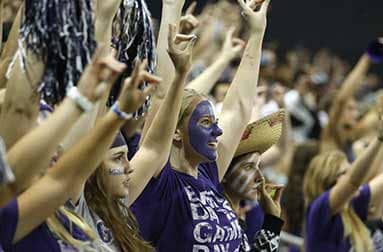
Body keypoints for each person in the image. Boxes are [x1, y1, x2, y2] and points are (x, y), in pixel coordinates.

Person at [131, 0, 272, 250]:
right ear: (174, 132)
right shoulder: (158, 178)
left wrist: (257, 34)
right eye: (206, 122)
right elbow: (161, 95)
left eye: (215, 123)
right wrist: (171, 8)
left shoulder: (208, 172)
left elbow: (238, 108)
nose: (218, 131)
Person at [0, 46, 158, 251]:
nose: (55, 150)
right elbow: (18, 108)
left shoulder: (61, 210)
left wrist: (117, 111)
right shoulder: (10, 216)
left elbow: (63, 179)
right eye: (43, 138)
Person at [75, 25, 196, 251]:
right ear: (90, 165)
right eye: (118, 158)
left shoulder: (117, 206)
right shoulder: (76, 208)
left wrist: (181, 74)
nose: (129, 167)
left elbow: (154, 148)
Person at [303, 103, 383, 252]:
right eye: (344, 173)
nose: (350, 176)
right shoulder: (319, 209)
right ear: (328, 179)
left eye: (350, 170)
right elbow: (353, 180)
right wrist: (379, 140)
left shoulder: (352, 206)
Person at [222, 110, 285, 251]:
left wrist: (272, 218)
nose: (260, 177)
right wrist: (272, 221)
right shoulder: (218, 221)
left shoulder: (234, 218)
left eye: (258, 166)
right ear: (224, 171)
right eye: (249, 167)